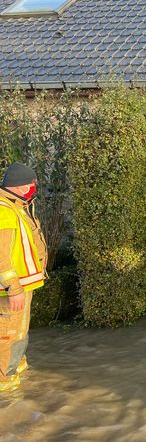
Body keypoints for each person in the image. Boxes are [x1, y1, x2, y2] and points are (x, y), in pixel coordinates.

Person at [0, 162, 47, 392]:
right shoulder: (4, 211)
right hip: (11, 290)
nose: (33, 187)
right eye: (30, 183)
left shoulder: (17, 207)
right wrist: (14, 288)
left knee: (19, 331)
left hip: (21, 287)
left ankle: (15, 368)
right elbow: (1, 256)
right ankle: (4, 382)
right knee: (8, 334)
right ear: (18, 187)